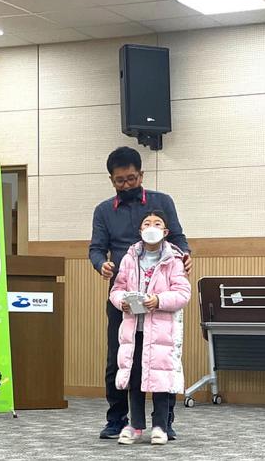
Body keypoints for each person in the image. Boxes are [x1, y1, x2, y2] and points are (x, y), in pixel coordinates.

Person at [89, 146, 191, 440]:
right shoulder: (104, 210)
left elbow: (178, 238)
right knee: (119, 358)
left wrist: (186, 255)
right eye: (120, 180)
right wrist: (101, 264)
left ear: (141, 175)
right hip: (124, 294)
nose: (126, 185)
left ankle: (165, 422)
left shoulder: (162, 202)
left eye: (131, 179)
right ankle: (117, 419)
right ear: (111, 180)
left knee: (162, 357)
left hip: (161, 294)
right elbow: (96, 248)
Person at [109, 211, 191, 445]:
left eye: (157, 223)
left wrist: (159, 300)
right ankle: (135, 426)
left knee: (160, 379)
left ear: (165, 232)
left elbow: (182, 293)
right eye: (146, 223)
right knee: (134, 378)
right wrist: (122, 301)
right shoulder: (129, 258)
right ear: (140, 231)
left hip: (161, 332)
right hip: (134, 330)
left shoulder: (174, 260)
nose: (151, 226)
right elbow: (116, 289)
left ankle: (160, 426)